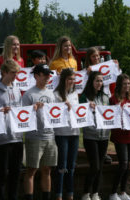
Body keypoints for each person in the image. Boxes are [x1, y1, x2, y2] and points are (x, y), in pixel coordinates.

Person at [0, 59, 23, 200]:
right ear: (4, 72)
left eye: (17, 73)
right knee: (2, 174)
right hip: (2, 139)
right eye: (13, 73)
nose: (15, 76)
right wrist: (0, 112)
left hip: (17, 137)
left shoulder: (17, 89)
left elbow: (20, 112)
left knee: (16, 173)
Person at [22, 64, 58, 200]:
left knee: (47, 169)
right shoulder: (29, 94)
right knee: (31, 170)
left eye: (49, 74)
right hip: (35, 137)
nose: (48, 76)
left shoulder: (51, 93)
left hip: (50, 136)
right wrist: (33, 109)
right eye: (45, 74)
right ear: (36, 76)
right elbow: (22, 117)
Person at [79, 71, 110, 200]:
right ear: (91, 82)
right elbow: (78, 112)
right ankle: (86, 194)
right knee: (95, 166)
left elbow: (108, 114)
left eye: (101, 81)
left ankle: (95, 193)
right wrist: (87, 106)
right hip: (90, 135)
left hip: (104, 136)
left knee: (100, 167)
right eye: (97, 80)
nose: (99, 83)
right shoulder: (84, 96)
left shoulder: (105, 96)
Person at [109, 74, 130, 200]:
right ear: (119, 85)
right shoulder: (113, 99)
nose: (127, 86)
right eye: (125, 83)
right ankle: (113, 193)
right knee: (123, 164)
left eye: (129, 84)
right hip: (119, 135)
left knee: (128, 164)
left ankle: (123, 192)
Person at [53, 68, 80, 200]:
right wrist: (63, 107)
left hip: (74, 133)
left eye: (74, 79)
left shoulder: (75, 93)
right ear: (63, 80)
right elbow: (53, 114)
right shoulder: (56, 94)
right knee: (62, 167)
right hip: (61, 133)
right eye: (70, 79)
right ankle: (58, 195)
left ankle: (70, 194)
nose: (72, 82)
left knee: (71, 166)